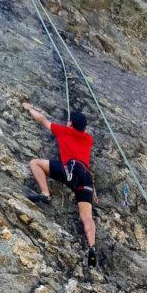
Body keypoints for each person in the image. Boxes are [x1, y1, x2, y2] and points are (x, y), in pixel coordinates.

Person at [22, 102, 97, 267]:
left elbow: (42, 120)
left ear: (70, 123)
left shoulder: (63, 130)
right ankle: (91, 247)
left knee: (35, 163)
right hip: (85, 178)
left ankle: (45, 193)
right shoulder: (88, 139)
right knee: (87, 217)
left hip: (70, 170)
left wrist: (30, 108)